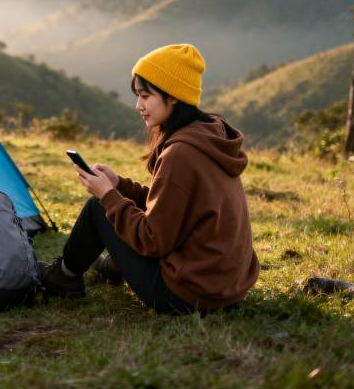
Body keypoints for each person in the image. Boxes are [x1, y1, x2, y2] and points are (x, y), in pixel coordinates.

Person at [40, 43, 260, 314]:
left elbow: (152, 240)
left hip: (188, 295)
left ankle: (63, 277)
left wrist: (107, 195)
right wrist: (119, 185)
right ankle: (111, 266)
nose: (138, 106)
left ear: (174, 96)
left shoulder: (181, 154)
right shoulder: (209, 135)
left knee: (98, 208)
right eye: (137, 96)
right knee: (113, 204)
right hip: (227, 287)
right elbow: (171, 206)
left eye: (145, 96)